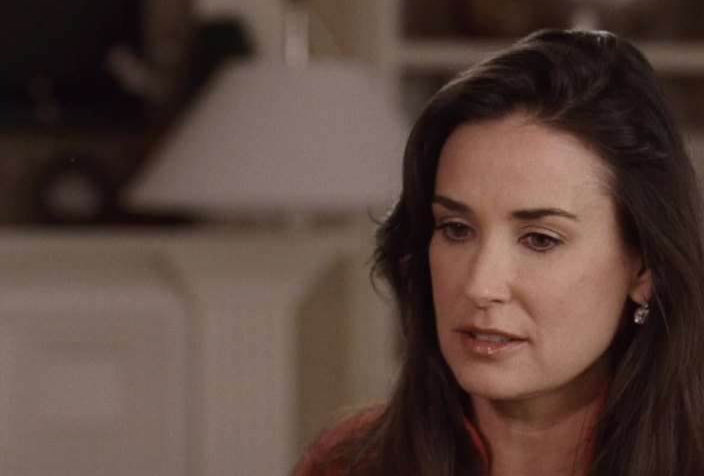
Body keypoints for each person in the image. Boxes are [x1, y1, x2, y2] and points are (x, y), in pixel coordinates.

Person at [295, 28, 704, 475]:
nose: (480, 285)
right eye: (456, 229)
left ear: (644, 268)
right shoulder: (348, 465)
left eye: (540, 239)